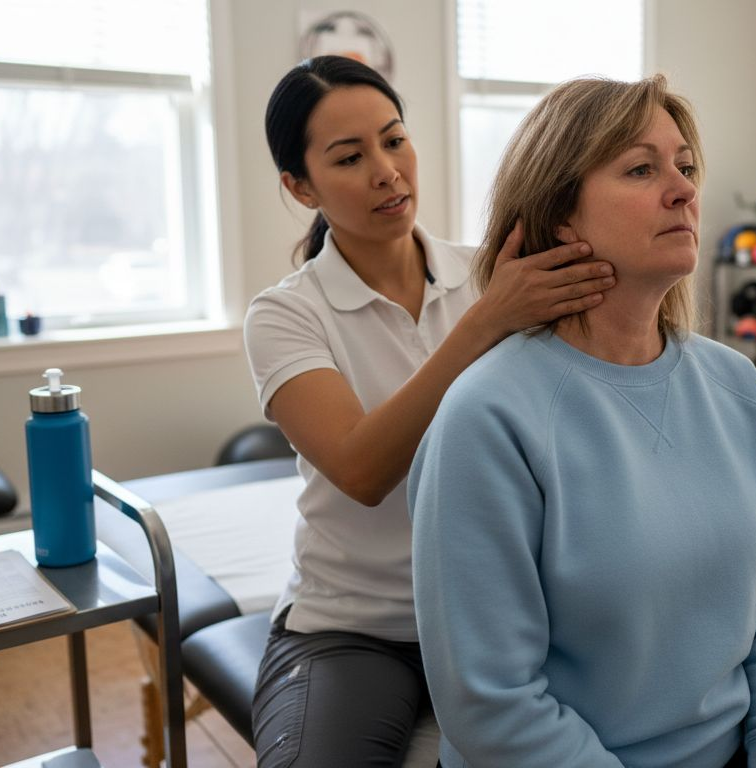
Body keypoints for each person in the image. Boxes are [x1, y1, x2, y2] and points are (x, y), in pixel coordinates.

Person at [408, 75, 756, 768]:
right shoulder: (487, 417)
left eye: (685, 166)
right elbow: (492, 703)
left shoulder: (738, 388)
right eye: (641, 168)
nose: (684, 189)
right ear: (560, 216)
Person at [243, 56, 617, 767]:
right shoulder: (285, 314)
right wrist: (486, 322)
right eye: (350, 157)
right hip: (359, 627)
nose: (388, 170)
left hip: (506, 615)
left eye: (395, 139)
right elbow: (360, 467)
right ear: (300, 186)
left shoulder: (492, 274)